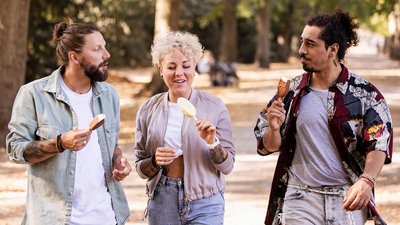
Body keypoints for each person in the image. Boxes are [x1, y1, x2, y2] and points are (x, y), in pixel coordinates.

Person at [254, 9, 393, 225]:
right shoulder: (291, 92)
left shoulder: (365, 94)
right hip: (300, 197)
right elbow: (268, 146)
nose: (301, 50)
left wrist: (367, 180)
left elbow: (379, 143)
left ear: (332, 50)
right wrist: (273, 129)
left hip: (346, 198)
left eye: (310, 44)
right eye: (302, 42)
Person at [6, 19, 131, 225]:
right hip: (57, 219)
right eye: (97, 49)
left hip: (107, 216)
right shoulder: (34, 94)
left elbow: (111, 145)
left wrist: (118, 160)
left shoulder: (109, 95)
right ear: (74, 56)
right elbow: (15, 149)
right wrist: (60, 143)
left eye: (105, 47)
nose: (106, 55)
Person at [134, 31, 235, 225]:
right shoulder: (147, 109)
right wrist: (155, 161)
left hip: (206, 202)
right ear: (160, 69)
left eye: (186, 66)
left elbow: (228, 165)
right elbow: (140, 167)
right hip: (162, 199)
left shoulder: (214, 106)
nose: (179, 72)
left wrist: (213, 143)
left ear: (194, 68)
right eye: (171, 67)